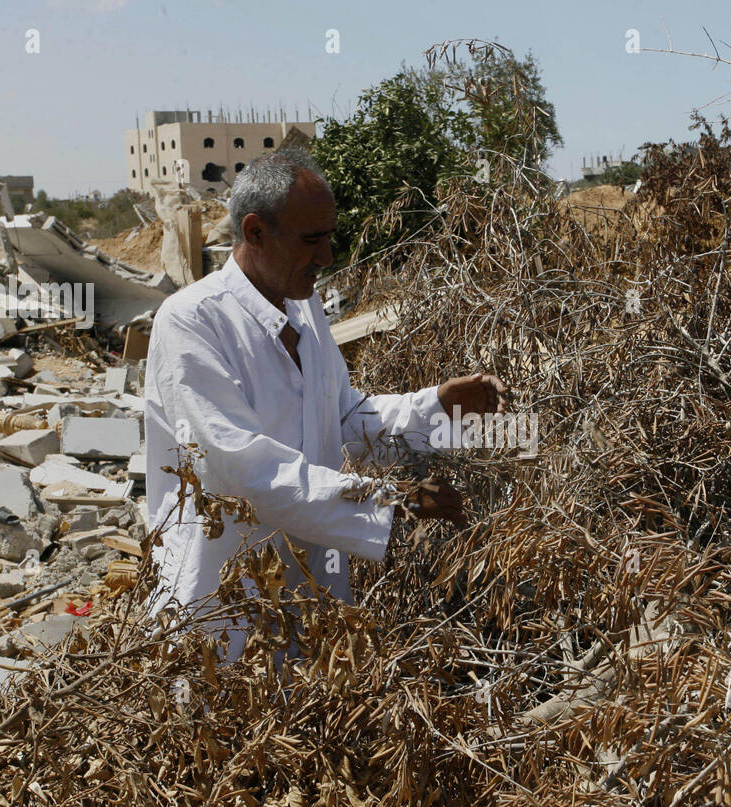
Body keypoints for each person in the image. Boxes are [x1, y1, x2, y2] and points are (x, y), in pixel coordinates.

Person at [144, 149, 506, 661]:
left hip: (306, 593)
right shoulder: (192, 322)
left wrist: (435, 406)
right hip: (223, 601)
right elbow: (243, 471)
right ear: (254, 232)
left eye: (329, 237)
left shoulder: (304, 306)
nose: (327, 256)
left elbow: (341, 419)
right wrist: (389, 502)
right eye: (311, 240)